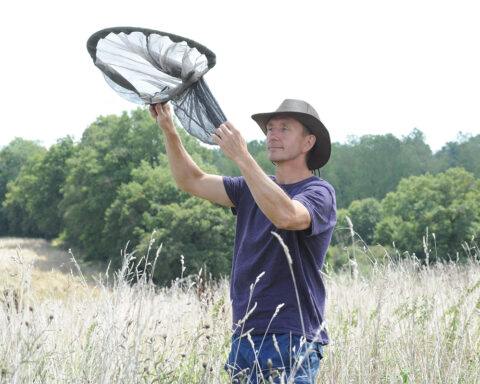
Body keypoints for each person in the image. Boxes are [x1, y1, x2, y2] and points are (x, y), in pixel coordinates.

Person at [150, 99, 337, 383]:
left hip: (291, 336)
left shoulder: (319, 192)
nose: (272, 135)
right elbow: (191, 180)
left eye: (284, 129)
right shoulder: (247, 188)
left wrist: (242, 158)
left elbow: (286, 215)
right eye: (270, 129)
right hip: (244, 336)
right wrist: (168, 129)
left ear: (308, 142)